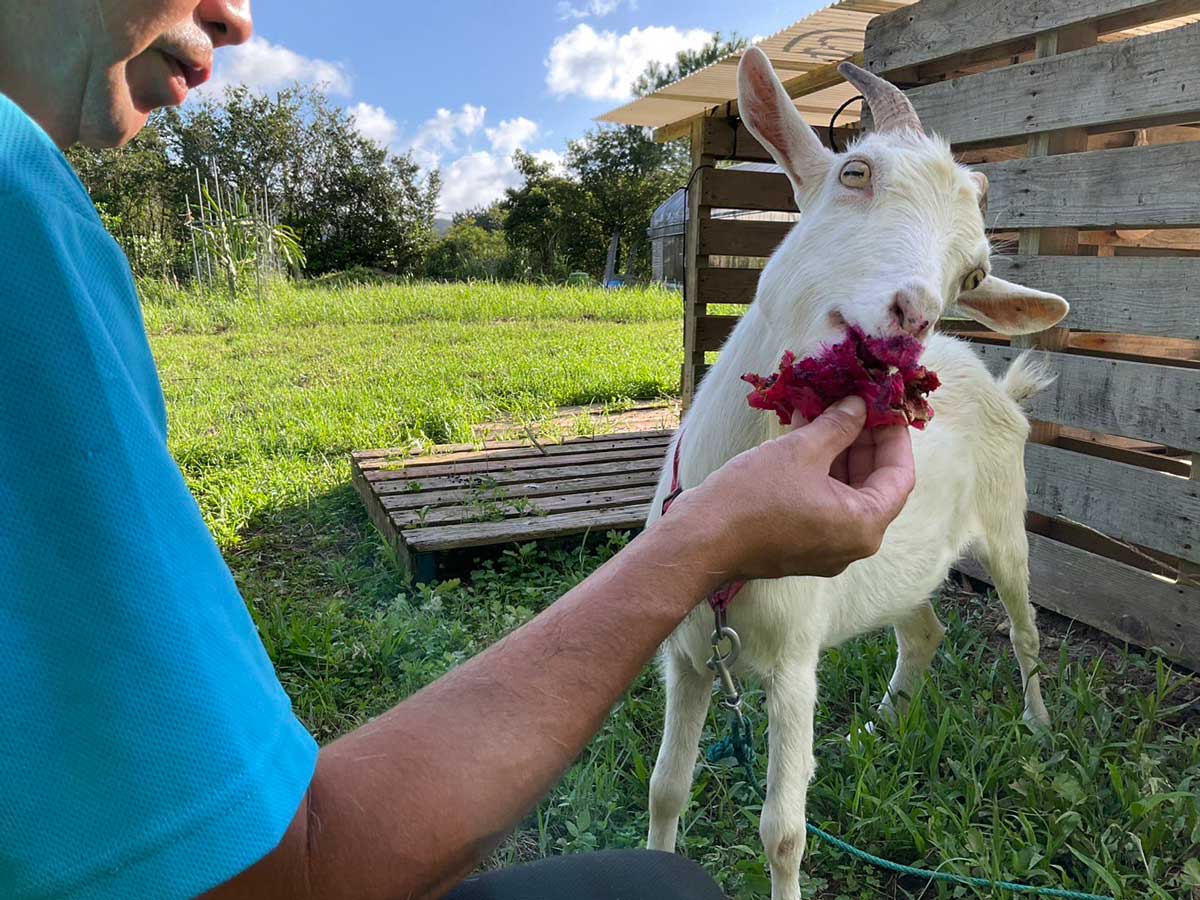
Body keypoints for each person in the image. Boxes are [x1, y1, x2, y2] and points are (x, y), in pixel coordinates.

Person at [0, 2, 916, 898]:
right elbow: (291, 870)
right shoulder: (17, 209)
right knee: (670, 890)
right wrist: (703, 538)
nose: (236, 17)